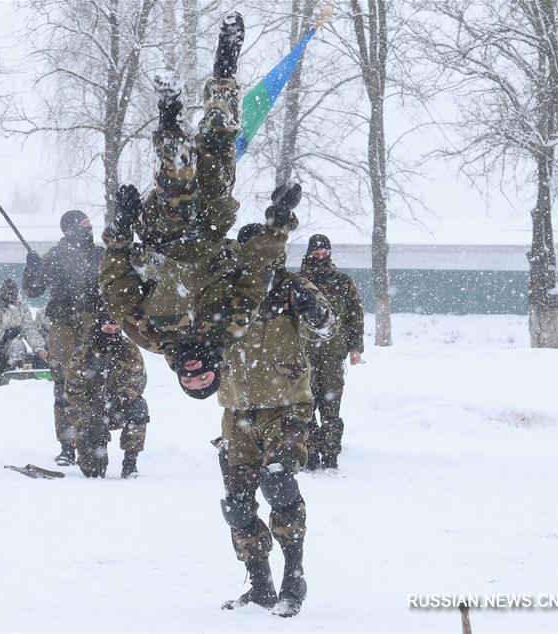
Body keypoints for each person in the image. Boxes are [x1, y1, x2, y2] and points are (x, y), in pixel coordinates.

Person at [99, 12, 302, 399]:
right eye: (202, 379)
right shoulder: (233, 324)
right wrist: (278, 223)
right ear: (214, 371)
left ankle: (170, 114)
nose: (193, 374)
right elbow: (256, 270)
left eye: (188, 381)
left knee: (178, 188)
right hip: (211, 225)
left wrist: (121, 231)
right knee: (220, 140)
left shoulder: (151, 335)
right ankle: (225, 62)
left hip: (162, 235)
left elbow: (116, 286)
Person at [216, 223, 337, 617]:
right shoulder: (227, 291)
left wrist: (314, 309)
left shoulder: (292, 287)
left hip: (287, 406)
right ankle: (260, 584)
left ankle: (293, 578)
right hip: (237, 411)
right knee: (237, 504)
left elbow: (327, 327)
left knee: (278, 479)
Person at [23, 210, 106, 466]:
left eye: (90, 223)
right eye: (84, 223)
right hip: (64, 325)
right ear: (71, 227)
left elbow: (114, 285)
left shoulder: (100, 255)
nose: (89, 227)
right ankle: (67, 445)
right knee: (62, 384)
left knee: (95, 381)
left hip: (93, 322)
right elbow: (34, 289)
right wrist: (32, 269)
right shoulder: (54, 256)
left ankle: (94, 442)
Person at [298, 234, 365, 470]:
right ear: (308, 253)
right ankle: (310, 453)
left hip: (333, 353)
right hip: (302, 353)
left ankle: (330, 452)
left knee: (331, 404)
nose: (320, 256)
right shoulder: (297, 282)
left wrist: (356, 348)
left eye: (325, 252)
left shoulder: (342, 282)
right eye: (316, 253)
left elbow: (354, 317)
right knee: (305, 404)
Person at [63, 312, 149, 479]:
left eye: (116, 329)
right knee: (93, 471)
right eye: (107, 329)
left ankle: (130, 464)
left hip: (117, 407)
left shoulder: (129, 349)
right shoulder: (83, 353)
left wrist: (121, 398)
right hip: (89, 413)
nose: (112, 334)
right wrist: (88, 417)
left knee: (139, 407)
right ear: (99, 327)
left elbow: (137, 380)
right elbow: (73, 391)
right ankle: (90, 455)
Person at [0, 278, 47, 388]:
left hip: (11, 340)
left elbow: (29, 329)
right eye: (8, 294)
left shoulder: (21, 306)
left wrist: (39, 347)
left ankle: (14, 377)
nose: (10, 297)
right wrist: (1, 334)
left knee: (18, 346)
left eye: (13, 295)